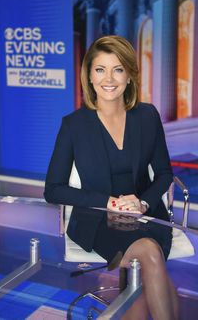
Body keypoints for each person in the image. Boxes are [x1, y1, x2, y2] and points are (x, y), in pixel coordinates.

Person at [44, 35, 178, 320]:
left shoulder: (147, 116)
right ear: (89, 77)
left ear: (129, 75)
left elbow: (165, 173)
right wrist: (108, 202)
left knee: (142, 271)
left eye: (118, 69)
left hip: (147, 213)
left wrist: (142, 202)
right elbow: (53, 190)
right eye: (100, 69)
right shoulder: (74, 125)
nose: (109, 78)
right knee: (150, 255)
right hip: (97, 219)